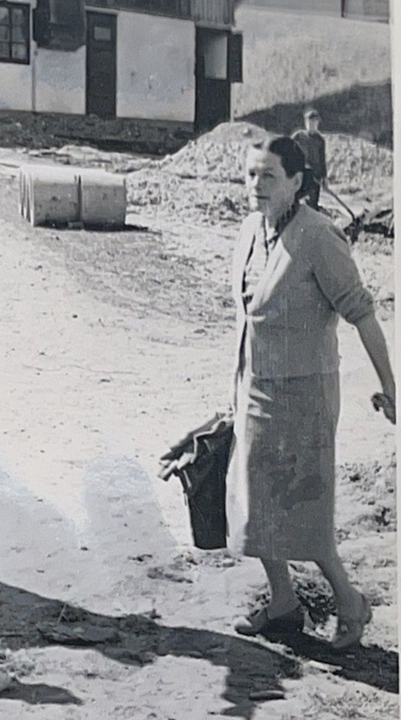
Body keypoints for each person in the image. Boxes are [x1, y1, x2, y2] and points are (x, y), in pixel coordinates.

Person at [228, 135, 394, 649]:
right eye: (251, 173)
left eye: (269, 175)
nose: (256, 185)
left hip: (304, 397)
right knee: (254, 503)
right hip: (254, 388)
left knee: (305, 508)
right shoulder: (251, 230)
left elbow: (362, 312)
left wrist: (391, 386)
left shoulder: (320, 238)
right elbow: (249, 315)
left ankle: (350, 601)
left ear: (297, 182)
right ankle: (283, 604)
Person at [291, 108, 328, 210]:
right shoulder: (298, 136)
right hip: (301, 173)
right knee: (295, 197)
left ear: (317, 124)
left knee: (313, 203)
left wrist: (324, 177)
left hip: (315, 176)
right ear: (305, 122)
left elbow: (322, 159)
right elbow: (289, 150)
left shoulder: (320, 140)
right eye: (309, 122)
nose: (312, 125)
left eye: (314, 122)